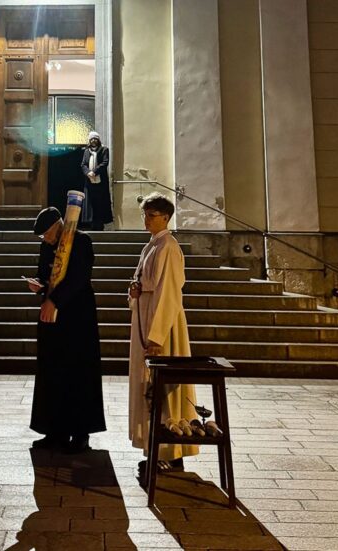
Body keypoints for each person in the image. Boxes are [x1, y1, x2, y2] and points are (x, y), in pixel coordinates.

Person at [127, 193, 199, 475]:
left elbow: (169, 292)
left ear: (166, 217)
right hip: (146, 317)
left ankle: (172, 450)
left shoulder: (168, 246)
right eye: (145, 214)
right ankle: (156, 447)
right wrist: (134, 291)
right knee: (149, 389)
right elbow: (144, 282)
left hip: (162, 326)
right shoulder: (152, 246)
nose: (146, 220)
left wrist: (157, 336)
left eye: (151, 215)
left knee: (163, 389)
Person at [26, 207, 106, 453]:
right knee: (52, 372)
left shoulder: (81, 242)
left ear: (58, 225)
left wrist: (55, 300)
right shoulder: (46, 246)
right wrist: (39, 286)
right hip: (52, 320)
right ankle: (54, 430)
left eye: (48, 234)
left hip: (77, 317)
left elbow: (78, 278)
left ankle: (81, 432)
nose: (46, 240)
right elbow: (44, 274)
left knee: (79, 372)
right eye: (42, 237)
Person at [80, 131, 114, 230]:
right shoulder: (86, 151)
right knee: (91, 203)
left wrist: (94, 172)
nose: (93, 141)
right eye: (92, 139)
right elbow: (83, 164)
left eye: (95, 139)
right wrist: (88, 173)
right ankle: (91, 223)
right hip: (89, 182)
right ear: (89, 141)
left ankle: (100, 224)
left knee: (101, 203)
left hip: (101, 182)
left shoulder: (104, 149)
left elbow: (105, 162)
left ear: (98, 140)